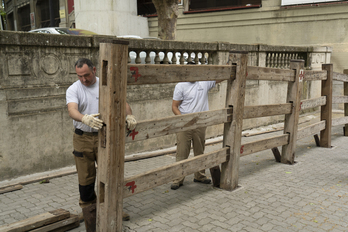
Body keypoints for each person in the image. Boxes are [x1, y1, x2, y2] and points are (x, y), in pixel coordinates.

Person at [66, 58, 137, 226]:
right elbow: (72, 110)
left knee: (110, 174)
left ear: (95, 70)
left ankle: (113, 208)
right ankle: (88, 209)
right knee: (86, 177)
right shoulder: (74, 89)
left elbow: (122, 102)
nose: (83, 80)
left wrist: (129, 115)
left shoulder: (106, 85)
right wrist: (84, 118)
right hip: (82, 138)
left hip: (104, 136)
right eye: (79, 76)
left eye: (86, 75)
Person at [171, 63, 222, 190]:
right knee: (182, 152)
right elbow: (174, 106)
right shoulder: (180, 86)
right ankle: (178, 179)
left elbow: (221, 76)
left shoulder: (204, 82)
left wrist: (228, 64)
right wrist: (184, 120)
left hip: (200, 123)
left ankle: (199, 175)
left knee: (199, 150)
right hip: (185, 124)